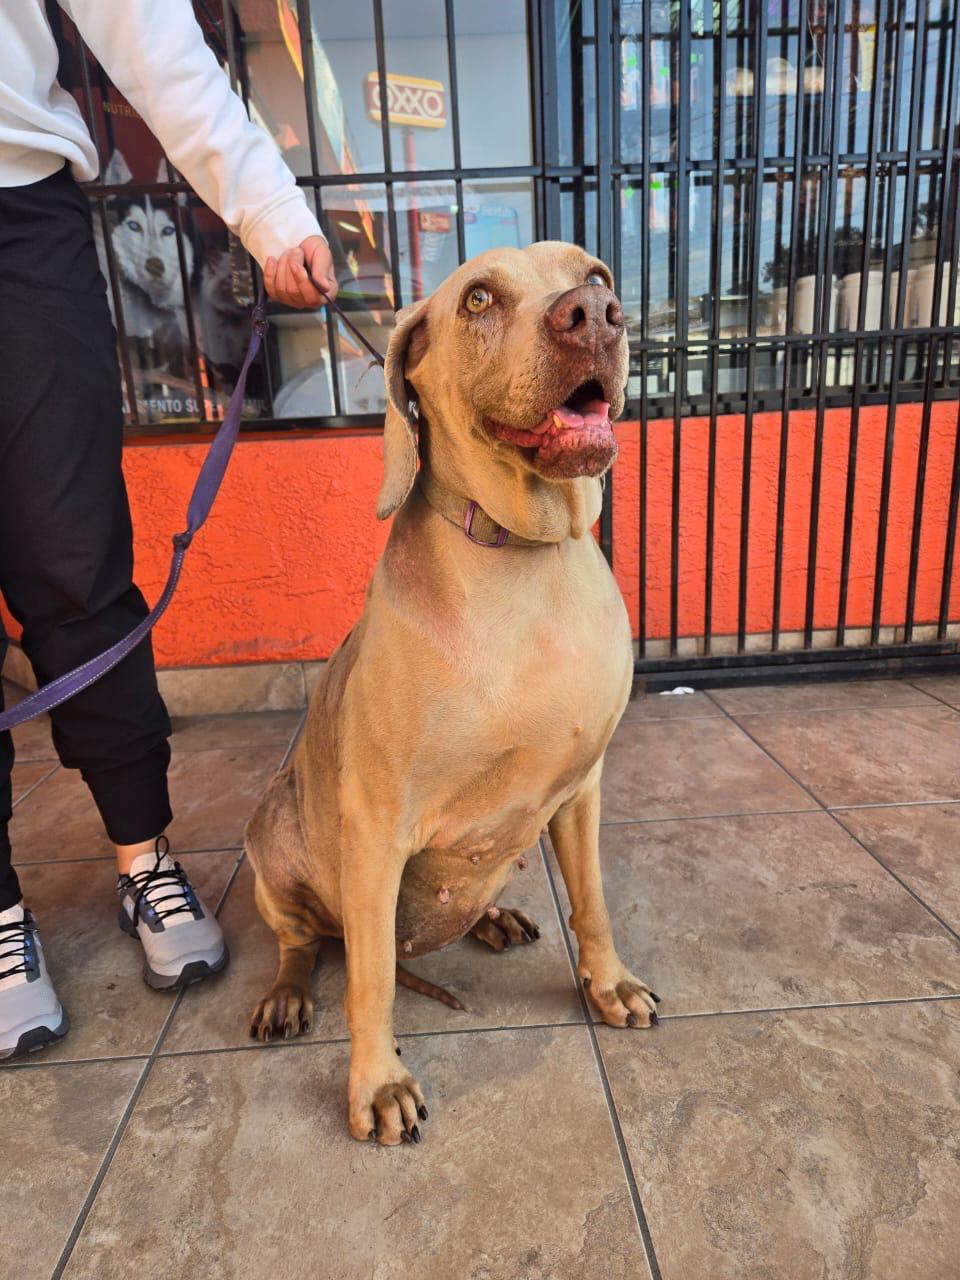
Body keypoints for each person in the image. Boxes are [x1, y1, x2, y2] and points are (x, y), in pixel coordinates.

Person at [0, 0, 338, 1060]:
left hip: (16, 208)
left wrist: (271, 214)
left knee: (74, 556)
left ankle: (142, 853)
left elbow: (146, 29)